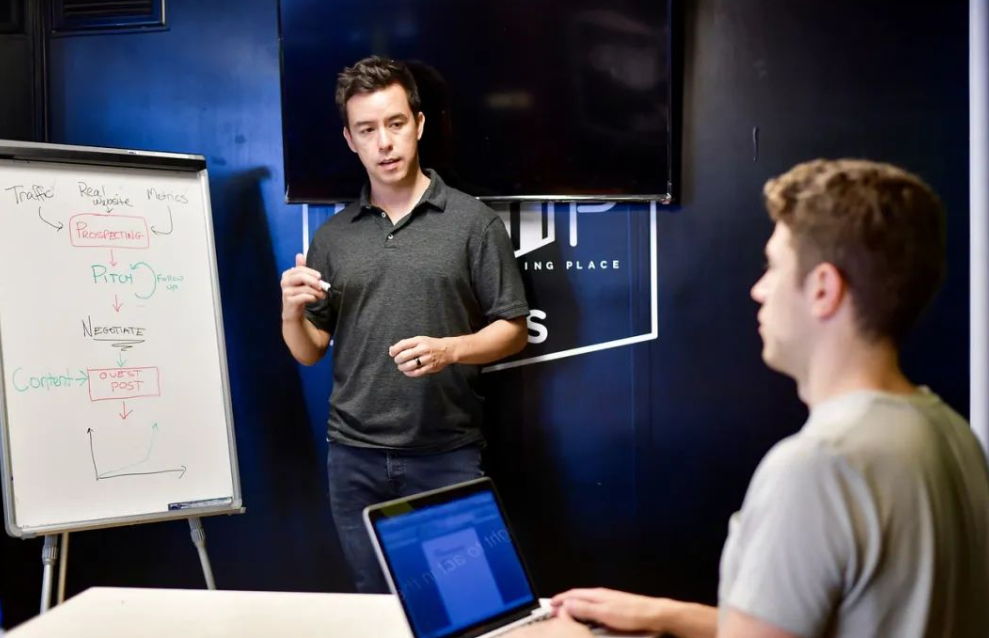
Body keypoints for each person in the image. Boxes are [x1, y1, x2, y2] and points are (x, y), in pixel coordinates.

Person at [511, 159, 989, 638]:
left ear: (823, 289)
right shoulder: (950, 434)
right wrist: (664, 615)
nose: (759, 290)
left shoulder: (819, 466)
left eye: (773, 266)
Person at [280, 55, 529, 593]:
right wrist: (291, 311)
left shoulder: (473, 223)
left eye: (395, 124)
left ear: (418, 124)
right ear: (350, 139)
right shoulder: (333, 236)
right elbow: (309, 349)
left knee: (467, 602)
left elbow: (513, 329)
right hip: (354, 458)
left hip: (446, 454)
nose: (384, 143)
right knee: (377, 607)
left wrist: (450, 351)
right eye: (367, 129)